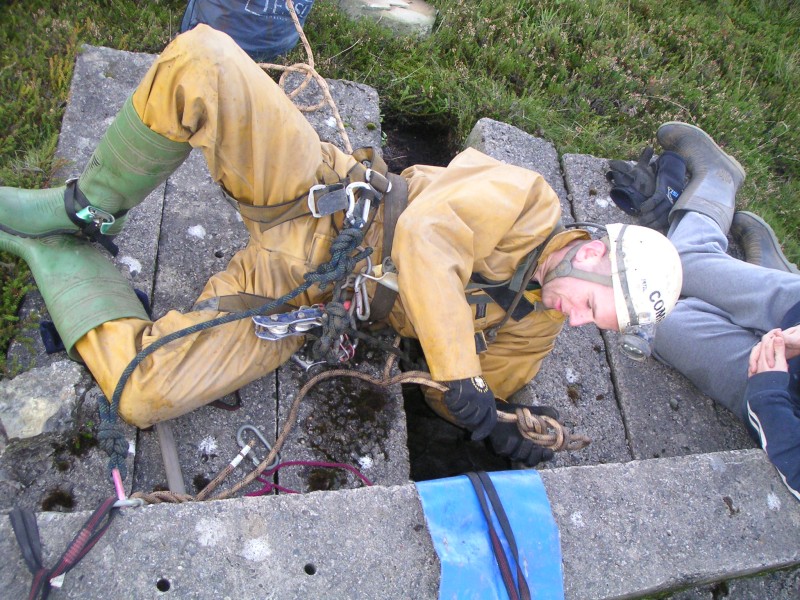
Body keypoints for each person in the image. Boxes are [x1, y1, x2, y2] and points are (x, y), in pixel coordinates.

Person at [0, 25, 682, 469]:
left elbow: (456, 399)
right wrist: (463, 373)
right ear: (592, 256)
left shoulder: (536, 328)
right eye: (598, 308)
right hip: (321, 191)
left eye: (601, 325)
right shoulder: (530, 200)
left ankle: (57, 259)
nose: (584, 324)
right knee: (204, 61)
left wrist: (504, 423)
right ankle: (85, 210)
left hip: (302, 297)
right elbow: (426, 235)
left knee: (141, 392)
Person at [611, 122, 800, 500]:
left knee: (657, 317)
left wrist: (769, 395)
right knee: (683, 262)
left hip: (782, 398)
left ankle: (762, 280)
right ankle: (719, 179)